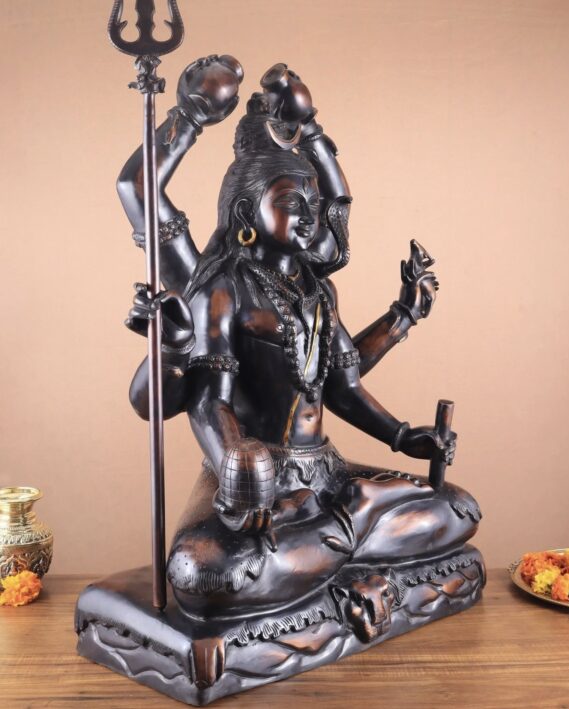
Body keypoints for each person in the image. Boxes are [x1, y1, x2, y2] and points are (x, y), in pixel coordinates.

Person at [117, 58, 480, 626]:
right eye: (292, 204)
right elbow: (209, 402)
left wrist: (403, 433)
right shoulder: (221, 288)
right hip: (253, 489)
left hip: (327, 477)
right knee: (204, 570)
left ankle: (335, 538)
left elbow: (342, 384)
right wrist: (189, 116)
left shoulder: (314, 288)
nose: (312, 217)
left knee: (457, 507)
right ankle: (350, 534)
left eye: (312, 205)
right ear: (247, 211)